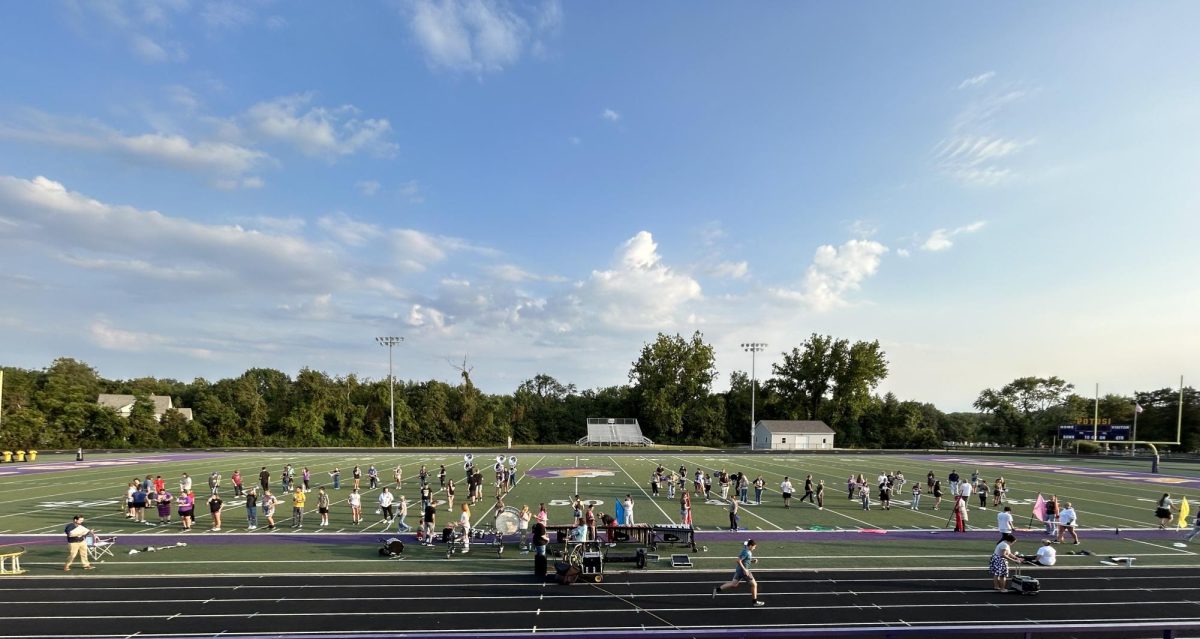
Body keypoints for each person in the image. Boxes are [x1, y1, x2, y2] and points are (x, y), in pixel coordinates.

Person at [713, 539, 765, 607]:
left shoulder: (747, 550)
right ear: (750, 546)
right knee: (754, 585)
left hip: (739, 570)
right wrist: (745, 570)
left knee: (734, 584)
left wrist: (752, 561)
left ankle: (717, 590)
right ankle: (754, 602)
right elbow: (738, 560)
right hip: (744, 571)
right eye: (754, 547)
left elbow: (745, 560)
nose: (754, 548)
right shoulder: (746, 552)